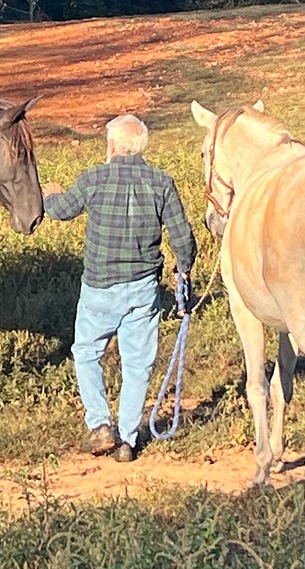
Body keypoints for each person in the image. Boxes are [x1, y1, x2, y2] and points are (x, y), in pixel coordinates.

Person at [41, 114, 197, 462]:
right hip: (143, 289)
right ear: (141, 147)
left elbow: (63, 211)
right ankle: (127, 439)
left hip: (99, 288)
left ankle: (99, 424)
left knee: (86, 353)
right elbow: (182, 236)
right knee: (137, 364)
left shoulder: (94, 178)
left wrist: (50, 196)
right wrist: (183, 270)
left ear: (112, 145)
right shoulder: (162, 182)